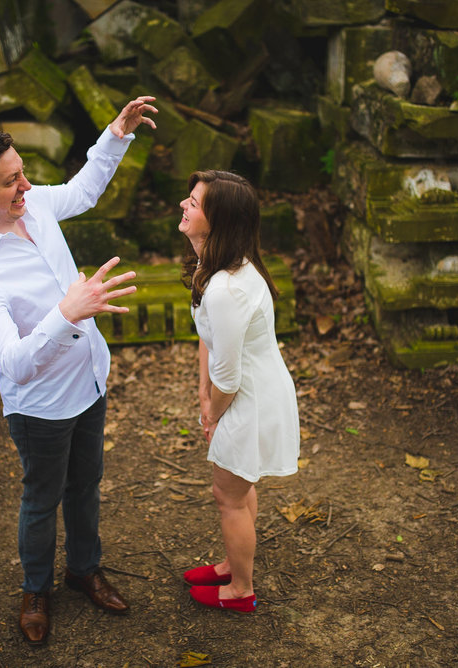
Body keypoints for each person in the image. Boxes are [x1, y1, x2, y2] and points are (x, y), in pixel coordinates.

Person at [0, 96, 157, 644]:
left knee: (86, 484)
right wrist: (69, 311)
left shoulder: (33, 207)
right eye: (12, 182)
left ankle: (84, 569)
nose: (27, 188)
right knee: (41, 498)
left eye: (24, 175)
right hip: (39, 406)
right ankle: (35, 588)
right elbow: (14, 361)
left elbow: (83, 190)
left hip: (88, 379)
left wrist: (115, 133)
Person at [177, 170, 300, 613]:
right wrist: (200, 393)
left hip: (250, 397)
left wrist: (212, 412)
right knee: (239, 482)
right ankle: (233, 563)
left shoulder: (226, 288)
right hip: (249, 389)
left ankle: (240, 590)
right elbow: (208, 340)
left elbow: (228, 378)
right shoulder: (215, 266)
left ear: (220, 220)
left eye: (194, 202)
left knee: (227, 494)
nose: (183, 206)